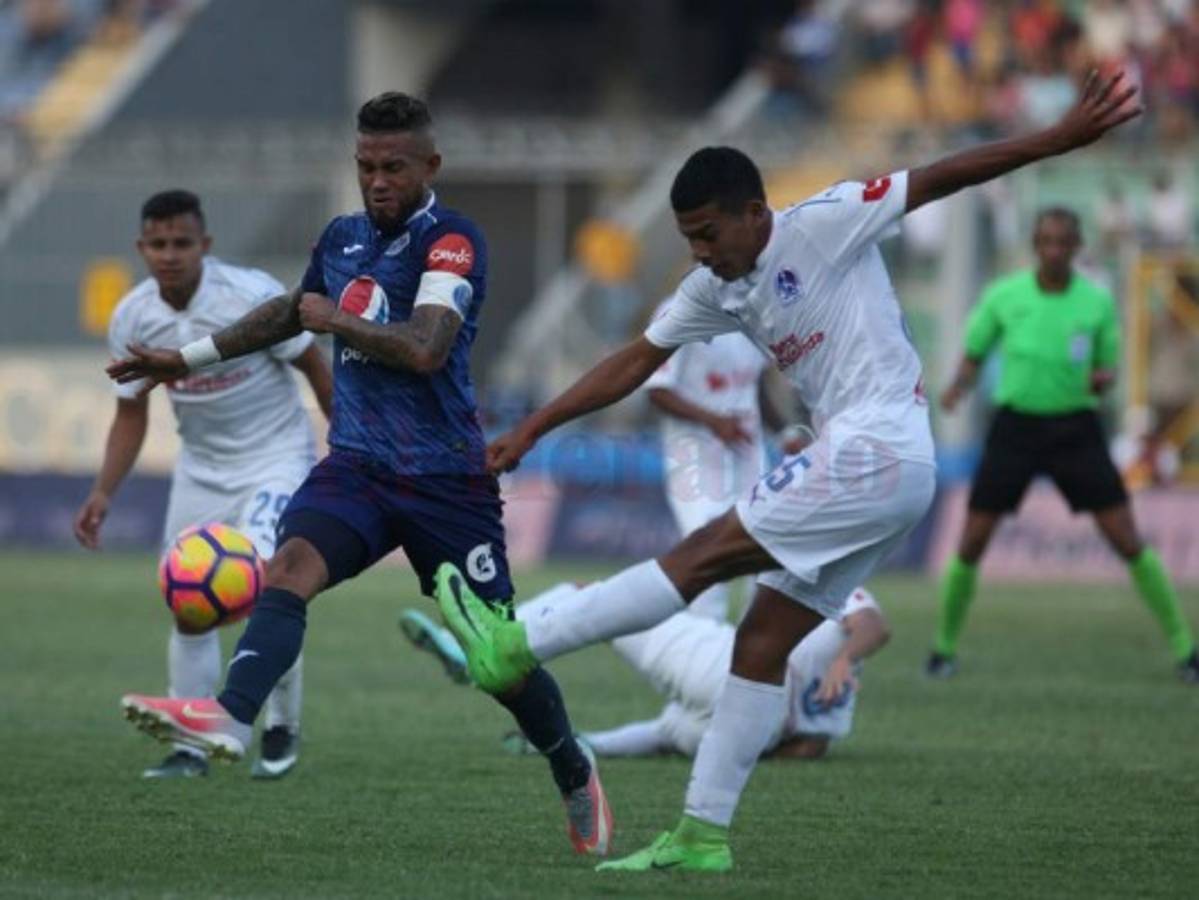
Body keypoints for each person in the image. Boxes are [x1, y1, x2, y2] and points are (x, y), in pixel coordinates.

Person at [430, 71, 1141, 873]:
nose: (698, 252)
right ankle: (702, 834)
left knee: (700, 559)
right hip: (881, 465)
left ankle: (518, 643)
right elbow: (634, 361)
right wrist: (532, 426)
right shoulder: (715, 287)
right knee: (761, 642)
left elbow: (943, 174)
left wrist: (1059, 137)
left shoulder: (827, 220)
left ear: (753, 212)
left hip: (876, 450)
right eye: (688, 238)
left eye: (707, 233)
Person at [106, 94, 611, 856]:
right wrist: (185, 358)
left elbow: (424, 347)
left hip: (445, 484)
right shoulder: (341, 237)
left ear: (428, 166)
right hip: (358, 470)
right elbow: (286, 314)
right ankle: (231, 718)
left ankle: (571, 765)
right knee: (287, 568)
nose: (377, 180)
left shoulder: (451, 242)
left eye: (393, 167)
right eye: (366, 166)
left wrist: (333, 319)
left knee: (499, 661)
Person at [74, 190, 332, 780]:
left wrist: (345, 446)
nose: (170, 255)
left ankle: (280, 725)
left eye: (181, 243)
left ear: (205, 246)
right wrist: (103, 492)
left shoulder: (249, 295)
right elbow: (131, 412)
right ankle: (189, 747)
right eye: (158, 244)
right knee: (188, 603)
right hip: (202, 469)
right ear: (142, 248)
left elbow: (313, 363)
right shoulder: (133, 316)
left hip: (276, 458)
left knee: (273, 592)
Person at [928, 207, 1199, 682]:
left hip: (1075, 428)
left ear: (1076, 248)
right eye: (1046, 241)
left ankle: (1185, 647)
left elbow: (1106, 368)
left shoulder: (1094, 304)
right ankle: (942, 648)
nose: (1053, 250)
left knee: (1125, 536)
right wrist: (956, 388)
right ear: (1035, 245)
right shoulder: (1004, 296)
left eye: (1062, 242)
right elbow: (975, 354)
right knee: (971, 540)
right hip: (1015, 427)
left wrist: (1102, 378)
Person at [403, 583, 890, 761]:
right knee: (663, 735)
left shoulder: (834, 576)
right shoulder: (838, 702)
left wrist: (845, 657)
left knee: (586, 595)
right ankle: (575, 746)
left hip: (721, 668)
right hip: (751, 730)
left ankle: (472, 652)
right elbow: (809, 749)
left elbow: (873, 623)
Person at [644, 322, 807, 621]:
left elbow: (751, 386)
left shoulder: (751, 314)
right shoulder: (680, 313)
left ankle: (750, 650)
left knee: (765, 553)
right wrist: (714, 421)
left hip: (747, 454)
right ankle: (704, 652)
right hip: (694, 459)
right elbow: (656, 391)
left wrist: (785, 433)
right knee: (706, 555)